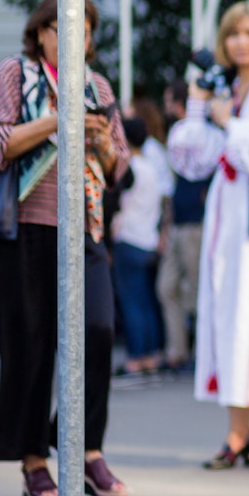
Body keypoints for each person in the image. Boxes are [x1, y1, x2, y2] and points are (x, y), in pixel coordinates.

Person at [0, 0, 131, 496]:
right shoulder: (13, 75)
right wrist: (57, 122)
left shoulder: (98, 86)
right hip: (25, 229)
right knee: (30, 345)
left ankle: (85, 448)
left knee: (100, 332)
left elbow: (118, 169)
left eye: (83, 30)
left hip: (83, 228)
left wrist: (103, 143)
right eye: (64, 27)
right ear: (41, 31)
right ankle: (34, 463)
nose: (75, 38)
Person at [167, 2, 249, 470]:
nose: (241, 43)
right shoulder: (225, 87)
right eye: (233, 34)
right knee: (232, 316)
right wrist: (199, 102)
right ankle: (239, 432)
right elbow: (190, 157)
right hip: (228, 216)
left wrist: (229, 121)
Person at [111, 116, 174, 375]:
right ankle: (153, 353)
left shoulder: (129, 168)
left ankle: (137, 356)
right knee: (147, 301)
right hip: (149, 239)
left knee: (132, 302)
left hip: (129, 238)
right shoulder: (151, 168)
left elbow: (120, 204)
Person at [157, 79, 210, 372]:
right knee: (167, 287)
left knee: (197, 291)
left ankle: (202, 355)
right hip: (178, 223)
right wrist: (165, 228)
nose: (166, 107)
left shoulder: (203, 135)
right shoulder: (179, 136)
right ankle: (177, 349)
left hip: (195, 222)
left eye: (169, 100)